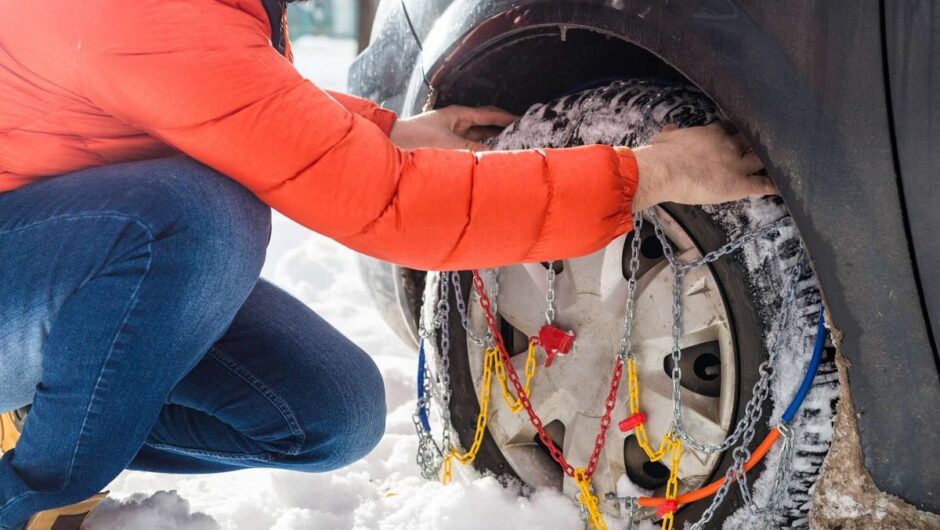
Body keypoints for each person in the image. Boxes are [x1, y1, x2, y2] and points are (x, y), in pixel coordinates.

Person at [0, 0, 773, 527]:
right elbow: (395, 209)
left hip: (56, 262)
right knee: (202, 221)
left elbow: (217, 94)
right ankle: (29, 497)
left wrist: (386, 134)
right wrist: (652, 175)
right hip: (31, 257)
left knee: (326, 412)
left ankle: (38, 414)